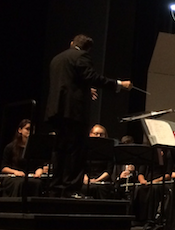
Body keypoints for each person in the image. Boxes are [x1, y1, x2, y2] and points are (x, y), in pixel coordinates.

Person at [45, 34, 132, 197]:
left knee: (60, 150)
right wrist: (119, 84)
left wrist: (85, 89)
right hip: (74, 112)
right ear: (88, 49)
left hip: (57, 111)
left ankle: (56, 186)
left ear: (72, 43)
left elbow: (68, 83)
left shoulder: (57, 59)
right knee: (76, 151)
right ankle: (71, 189)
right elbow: (92, 77)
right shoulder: (82, 56)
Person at [1, 119, 46, 197]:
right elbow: (3, 167)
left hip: (29, 176)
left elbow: (39, 165)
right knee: (21, 183)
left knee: (38, 183)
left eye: (32, 129)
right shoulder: (10, 147)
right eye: (27, 129)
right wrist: (15, 172)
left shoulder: (35, 148)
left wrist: (39, 171)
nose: (30, 131)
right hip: (13, 177)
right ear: (20, 130)